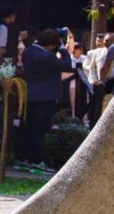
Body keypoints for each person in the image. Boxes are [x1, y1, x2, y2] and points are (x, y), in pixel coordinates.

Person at [14, 29, 74, 173]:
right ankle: (37, 162)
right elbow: (67, 66)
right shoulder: (46, 56)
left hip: (29, 96)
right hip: (45, 97)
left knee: (26, 128)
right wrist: (63, 50)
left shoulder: (28, 52)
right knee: (39, 130)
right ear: (52, 45)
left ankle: (21, 159)